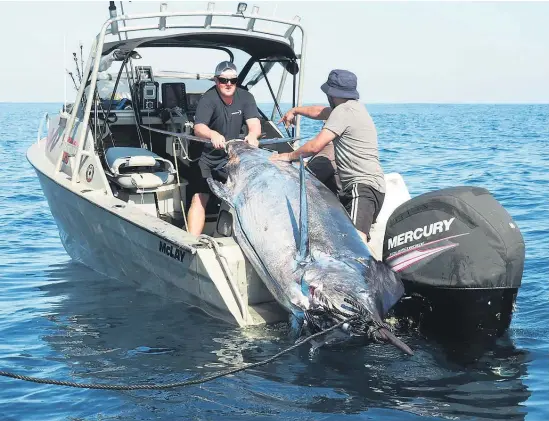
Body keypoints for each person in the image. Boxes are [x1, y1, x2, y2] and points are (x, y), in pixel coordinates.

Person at [270, 69, 385, 244]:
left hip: (361, 188)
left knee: (356, 242)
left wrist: (288, 156)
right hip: (373, 187)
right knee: (347, 242)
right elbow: (318, 111)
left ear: (331, 93)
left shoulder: (342, 112)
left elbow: (316, 145)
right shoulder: (353, 109)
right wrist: (296, 110)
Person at [187, 61, 262, 236]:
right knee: (200, 197)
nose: (228, 84)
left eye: (232, 80)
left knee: (246, 198)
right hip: (207, 157)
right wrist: (212, 134)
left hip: (234, 157)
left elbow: (255, 124)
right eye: (223, 80)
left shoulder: (246, 97)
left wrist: (252, 135)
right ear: (216, 80)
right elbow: (198, 128)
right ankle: (191, 242)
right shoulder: (208, 99)